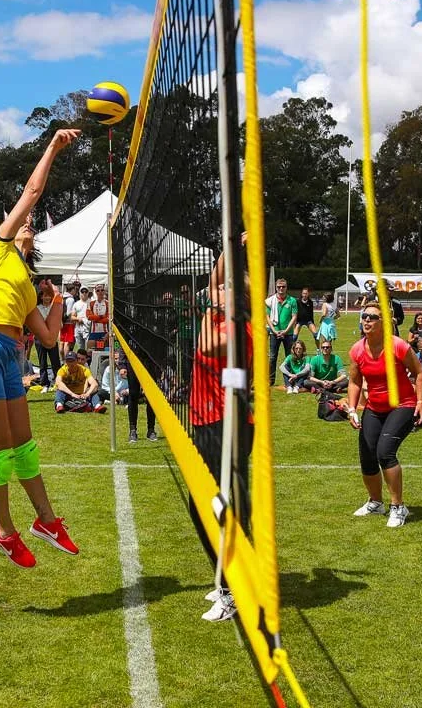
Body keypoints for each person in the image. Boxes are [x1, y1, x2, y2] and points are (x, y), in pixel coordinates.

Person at [0, 127, 81, 569]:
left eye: (29, 225)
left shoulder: (28, 286)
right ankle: (5, 532)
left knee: (25, 446)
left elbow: (47, 338)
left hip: (11, 356)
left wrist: (59, 301)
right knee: (1, 452)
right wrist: (53, 146)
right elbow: (31, 190)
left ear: (34, 244)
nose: (26, 222)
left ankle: (46, 521)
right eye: (22, 219)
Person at [190, 242, 254, 622]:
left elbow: (205, 345)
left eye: (226, 290)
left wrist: (206, 311)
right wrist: (231, 246)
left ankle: (233, 589)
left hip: (226, 423)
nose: (216, 291)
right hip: (206, 418)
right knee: (209, 504)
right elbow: (214, 282)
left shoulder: (237, 329)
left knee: (218, 505)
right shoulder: (221, 312)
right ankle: (227, 578)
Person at [345, 301, 422, 528]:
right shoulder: (357, 350)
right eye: (364, 316)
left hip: (403, 404)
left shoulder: (398, 346)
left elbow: (419, 373)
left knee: (385, 452)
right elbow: (354, 381)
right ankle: (375, 502)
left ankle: (398, 507)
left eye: (372, 317)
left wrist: (420, 401)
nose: (367, 320)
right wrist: (352, 408)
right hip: (375, 407)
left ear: (385, 323)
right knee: (367, 454)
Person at [265, 278, 297, 387]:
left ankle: (290, 379)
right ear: (276, 288)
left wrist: (286, 330)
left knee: (290, 356)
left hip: (288, 333)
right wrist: (274, 330)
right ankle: (271, 380)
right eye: (279, 287)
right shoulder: (270, 301)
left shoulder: (292, 300)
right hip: (274, 333)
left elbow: (294, 317)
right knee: (273, 357)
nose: (281, 289)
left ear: (286, 288)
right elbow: (267, 317)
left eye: (283, 286)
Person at [33, 287, 62, 393]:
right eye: (45, 295)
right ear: (41, 297)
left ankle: (58, 382)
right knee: (42, 362)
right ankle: (44, 383)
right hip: (39, 338)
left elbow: (58, 322)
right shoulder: (37, 308)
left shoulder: (53, 308)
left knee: (55, 361)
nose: (47, 298)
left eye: (49, 295)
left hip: (52, 336)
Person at [86, 284, 110, 352]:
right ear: (95, 292)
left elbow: (108, 319)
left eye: (102, 290)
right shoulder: (91, 303)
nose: (100, 292)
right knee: (90, 351)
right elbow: (89, 317)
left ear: (104, 291)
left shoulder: (108, 303)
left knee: (100, 351)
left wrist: (96, 319)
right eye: (98, 290)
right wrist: (101, 316)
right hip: (94, 332)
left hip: (104, 332)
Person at [72, 286, 91, 355]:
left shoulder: (91, 302)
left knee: (90, 348)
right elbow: (72, 317)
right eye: (82, 291)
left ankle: (89, 362)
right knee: (80, 349)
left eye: (86, 291)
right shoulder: (76, 304)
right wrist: (78, 319)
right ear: (80, 293)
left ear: (88, 293)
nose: (84, 293)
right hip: (78, 328)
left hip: (88, 328)